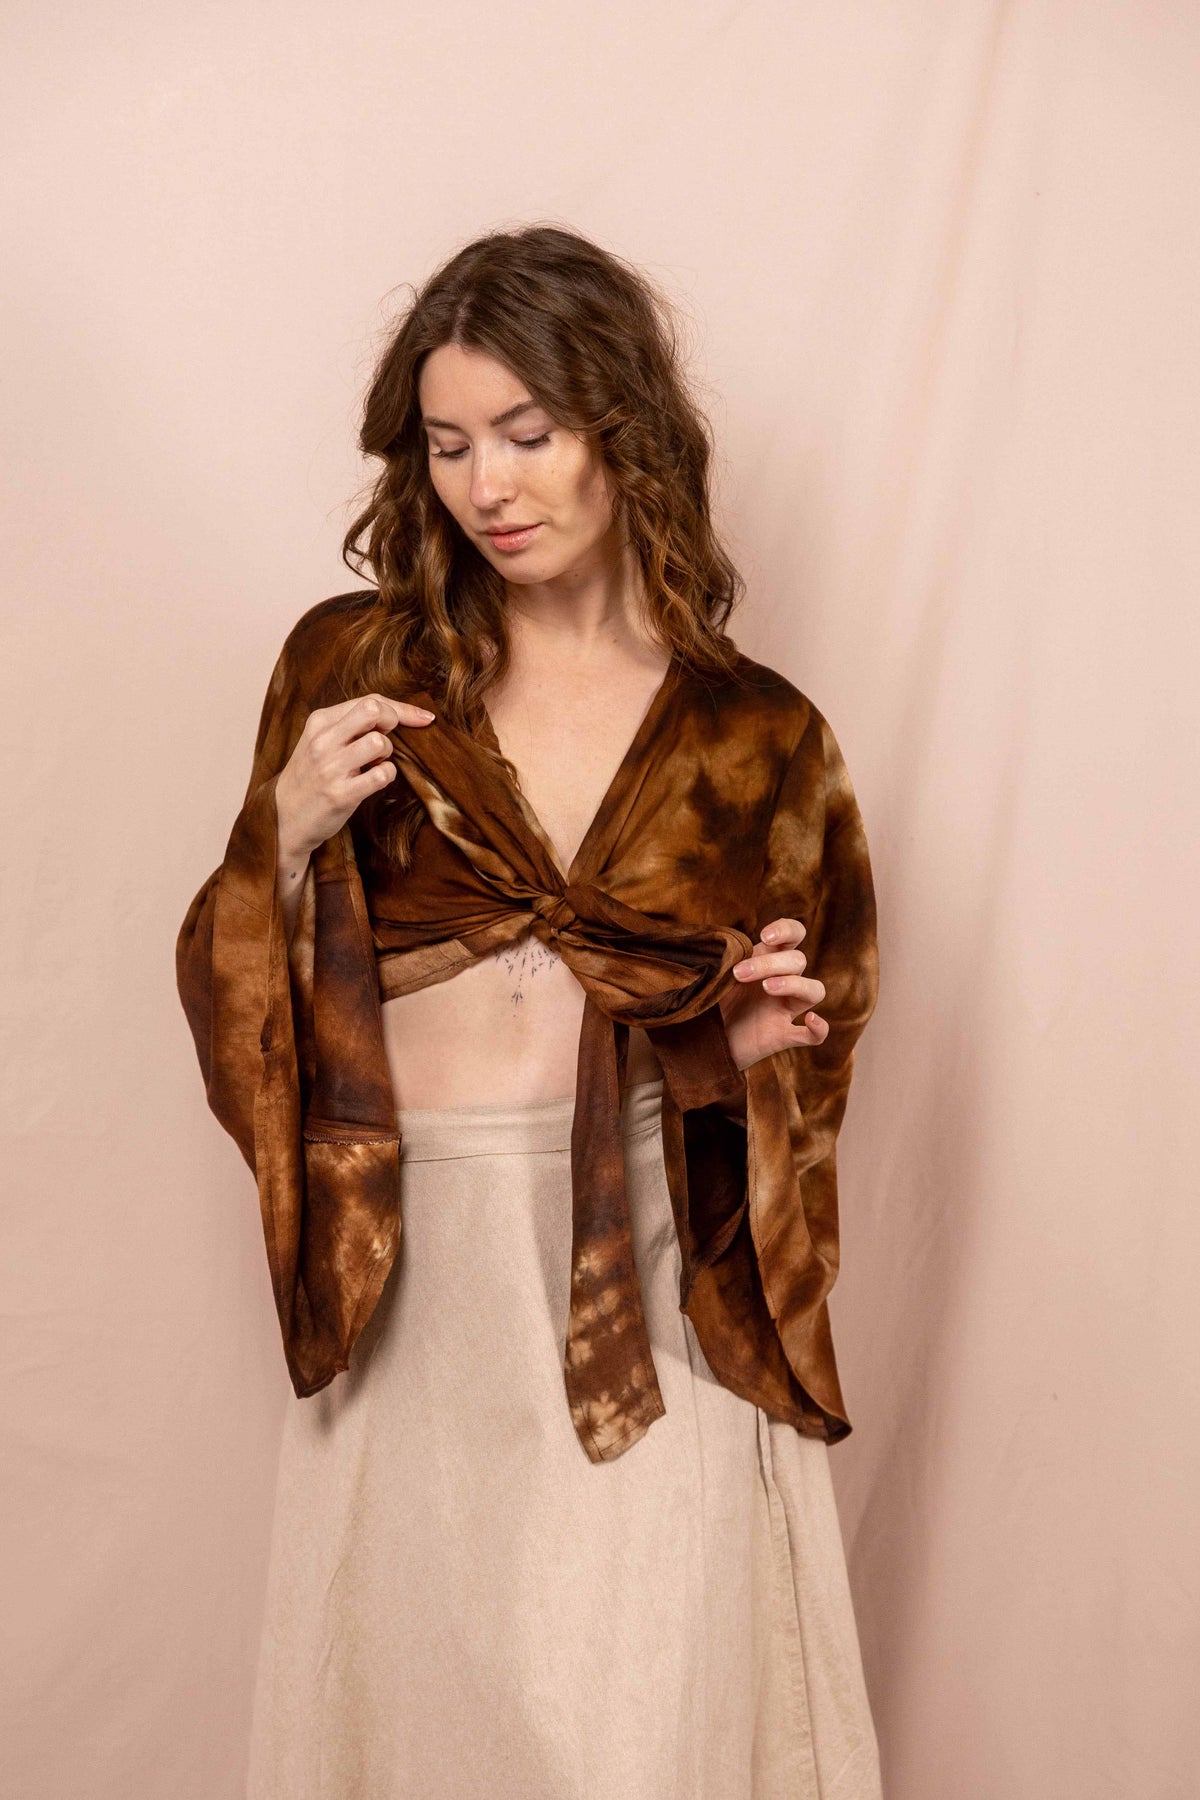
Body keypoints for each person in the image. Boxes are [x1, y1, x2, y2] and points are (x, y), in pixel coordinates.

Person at [176, 224, 883, 1799]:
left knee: (640, 1716)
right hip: (414, 1268)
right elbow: (235, 995)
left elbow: (804, 1052)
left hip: (642, 1262)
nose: (486, 485)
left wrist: (735, 1046)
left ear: (623, 430)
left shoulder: (758, 735)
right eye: (447, 446)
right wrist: (282, 833)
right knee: (422, 1713)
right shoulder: (359, 667)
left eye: (526, 432)